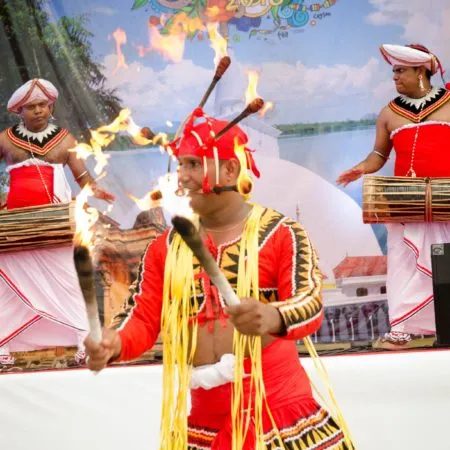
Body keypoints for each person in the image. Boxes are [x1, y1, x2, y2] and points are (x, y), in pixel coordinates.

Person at [85, 106, 351, 449]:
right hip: (204, 423)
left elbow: (310, 303)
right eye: (181, 165)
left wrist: (272, 316)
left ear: (230, 169)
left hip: (276, 415)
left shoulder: (281, 233)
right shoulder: (166, 248)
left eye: (194, 164)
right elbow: (142, 318)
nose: (182, 177)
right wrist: (114, 343)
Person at [337, 44, 450, 347]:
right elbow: (379, 154)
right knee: (402, 264)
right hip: (406, 203)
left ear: (420, 71)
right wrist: (361, 168)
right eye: (394, 72)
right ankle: (400, 330)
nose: (395, 77)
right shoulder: (389, 113)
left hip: (446, 199)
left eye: (401, 71)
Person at [0, 78, 115, 366]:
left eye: (43, 105)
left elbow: (82, 177)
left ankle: (84, 340)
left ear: (51, 106)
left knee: (69, 278)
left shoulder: (65, 140)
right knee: (9, 284)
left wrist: (95, 191)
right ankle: (3, 344)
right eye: (31, 107)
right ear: (20, 111)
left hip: (56, 222)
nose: (38, 111)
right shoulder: (5, 139)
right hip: (16, 225)